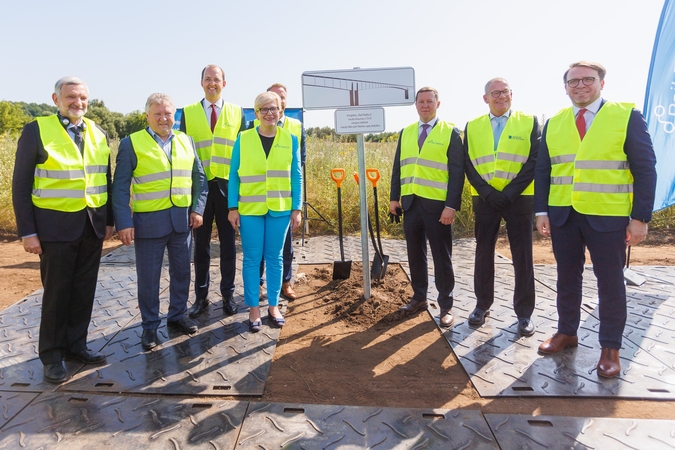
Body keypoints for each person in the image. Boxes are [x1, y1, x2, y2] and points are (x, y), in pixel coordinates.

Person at [534, 61, 657, 378]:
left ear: (602, 83)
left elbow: (645, 168)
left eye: (588, 79)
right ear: (566, 88)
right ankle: (567, 332)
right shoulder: (555, 122)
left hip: (609, 215)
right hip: (564, 215)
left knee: (611, 283)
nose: (580, 86)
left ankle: (610, 348)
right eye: (573, 82)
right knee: (567, 278)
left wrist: (640, 217)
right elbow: (544, 170)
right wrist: (541, 211)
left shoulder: (625, 115)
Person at [12, 76, 113, 383]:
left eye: (82, 98)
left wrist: (108, 221)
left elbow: (103, 179)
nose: (77, 103)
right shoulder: (36, 130)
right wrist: (27, 231)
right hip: (54, 228)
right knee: (57, 292)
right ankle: (53, 354)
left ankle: (76, 345)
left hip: (91, 225)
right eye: (70, 97)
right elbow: (21, 184)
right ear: (56, 99)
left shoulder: (98, 132)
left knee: (84, 289)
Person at [112, 93, 208, 350]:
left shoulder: (186, 140)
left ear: (174, 116)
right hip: (148, 224)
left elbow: (199, 179)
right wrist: (123, 222)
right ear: (147, 116)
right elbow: (120, 187)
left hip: (181, 222)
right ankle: (150, 327)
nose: (164, 119)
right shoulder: (131, 143)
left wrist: (197, 209)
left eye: (168, 114)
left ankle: (178, 316)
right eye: (158, 114)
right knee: (149, 278)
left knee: (181, 273)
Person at [463, 78, 540, 336]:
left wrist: (509, 193)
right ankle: (482, 305)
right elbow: (468, 163)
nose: (500, 96)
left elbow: (534, 160)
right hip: (486, 200)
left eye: (504, 91)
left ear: (511, 94)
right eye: (494, 93)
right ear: (486, 98)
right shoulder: (472, 126)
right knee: (483, 253)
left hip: (519, 198)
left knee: (523, 256)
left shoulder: (528, 121)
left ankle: (524, 313)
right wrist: (487, 192)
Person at [389, 86, 464, 327]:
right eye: (421, 102)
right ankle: (419, 297)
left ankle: (446, 306)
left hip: (438, 206)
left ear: (438, 104)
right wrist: (394, 198)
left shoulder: (450, 132)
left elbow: (456, 173)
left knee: (442, 258)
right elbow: (398, 167)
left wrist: (451, 205)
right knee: (415, 255)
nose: (425, 105)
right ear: (416, 105)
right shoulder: (407, 132)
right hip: (411, 204)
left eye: (429, 101)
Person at [228, 91, 302, 332]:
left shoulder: (290, 139)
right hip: (250, 209)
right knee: (251, 259)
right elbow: (234, 175)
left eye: (274, 108)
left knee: (275, 258)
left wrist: (297, 207)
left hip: (280, 209)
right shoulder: (243, 138)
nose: (270, 113)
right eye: (264, 109)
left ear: (281, 111)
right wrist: (232, 207)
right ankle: (253, 309)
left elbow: (296, 176)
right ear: (257, 113)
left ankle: (273, 306)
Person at [180, 65, 246, 318]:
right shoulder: (188, 113)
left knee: (229, 246)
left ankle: (228, 295)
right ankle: (201, 296)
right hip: (200, 190)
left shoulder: (237, 112)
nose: (212, 83)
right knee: (201, 248)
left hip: (228, 189)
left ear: (224, 84)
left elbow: (243, 153)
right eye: (207, 79)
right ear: (201, 83)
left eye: (216, 80)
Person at [254, 83, 306, 301]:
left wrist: (296, 204)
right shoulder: (253, 127)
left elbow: (300, 163)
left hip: (283, 199)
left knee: (285, 245)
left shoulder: (295, 125)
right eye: (274, 97)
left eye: (282, 97)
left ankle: (286, 282)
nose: (278, 101)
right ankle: (258, 284)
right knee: (259, 247)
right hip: (259, 199)